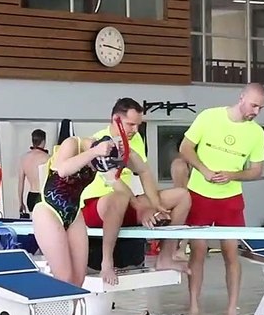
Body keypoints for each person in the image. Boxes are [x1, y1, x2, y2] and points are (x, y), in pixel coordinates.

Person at [177, 83, 264, 315]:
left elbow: (257, 170)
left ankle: (231, 310)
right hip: (200, 194)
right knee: (198, 251)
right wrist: (204, 170)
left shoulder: (256, 133)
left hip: (230, 198)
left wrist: (232, 175)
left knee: (231, 254)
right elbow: (185, 148)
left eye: (261, 108)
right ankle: (194, 308)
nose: (256, 111)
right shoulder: (209, 117)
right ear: (241, 98)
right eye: (254, 105)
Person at [79, 98, 191, 284]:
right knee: (118, 197)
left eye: (138, 125)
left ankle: (166, 256)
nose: (135, 130)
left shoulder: (135, 138)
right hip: (97, 207)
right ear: (115, 119)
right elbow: (115, 182)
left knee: (182, 196)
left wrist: (156, 205)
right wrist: (142, 209)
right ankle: (106, 262)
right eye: (130, 124)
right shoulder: (100, 143)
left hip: (128, 202)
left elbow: (144, 172)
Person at [31, 133, 119, 315]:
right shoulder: (74, 144)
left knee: (78, 279)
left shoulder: (101, 156)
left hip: (73, 213)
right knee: (64, 277)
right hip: (48, 211)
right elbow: (62, 170)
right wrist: (93, 152)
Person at [18, 129, 50, 217]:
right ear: (43, 141)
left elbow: (21, 182)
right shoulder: (47, 158)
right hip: (43, 196)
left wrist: (20, 202)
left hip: (31, 196)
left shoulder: (24, 158)